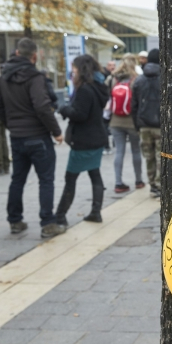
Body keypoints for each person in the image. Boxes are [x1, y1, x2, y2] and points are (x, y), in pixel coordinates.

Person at [0, 37, 65, 238]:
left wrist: (11, 124)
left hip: (17, 137)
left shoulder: (3, 77)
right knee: (46, 180)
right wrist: (56, 131)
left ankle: (15, 221)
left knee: (17, 179)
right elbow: (42, 106)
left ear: (17, 53)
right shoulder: (35, 77)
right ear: (34, 56)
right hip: (38, 136)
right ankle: (48, 224)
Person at [56, 55, 109, 226]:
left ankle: (60, 215)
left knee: (70, 177)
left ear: (81, 70)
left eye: (74, 69)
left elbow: (80, 114)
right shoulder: (98, 86)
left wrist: (64, 109)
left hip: (84, 141)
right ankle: (95, 212)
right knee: (95, 174)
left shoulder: (85, 89)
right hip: (97, 138)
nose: (73, 73)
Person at [106, 53, 144, 193]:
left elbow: (108, 97)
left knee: (119, 151)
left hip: (115, 121)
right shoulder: (137, 80)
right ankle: (139, 181)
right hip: (132, 122)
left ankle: (118, 183)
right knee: (135, 151)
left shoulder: (112, 78)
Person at [132, 48, 161, 198]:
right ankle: (160, 184)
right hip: (160, 126)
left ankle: (152, 185)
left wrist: (137, 124)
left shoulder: (139, 80)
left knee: (148, 156)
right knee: (160, 156)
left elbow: (134, 105)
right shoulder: (165, 78)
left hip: (143, 125)